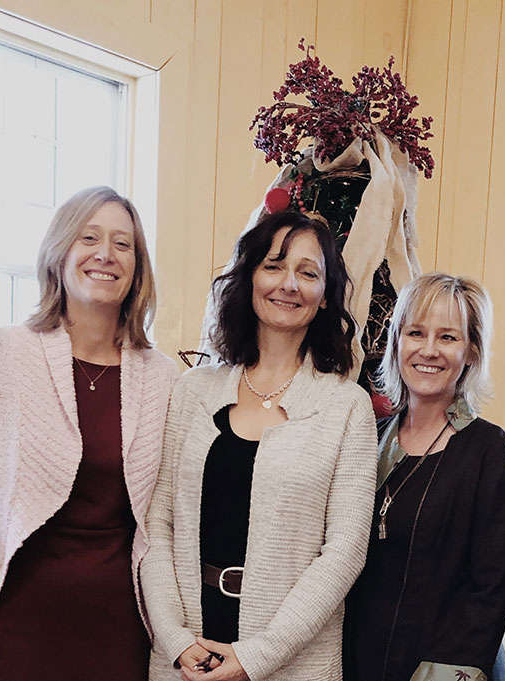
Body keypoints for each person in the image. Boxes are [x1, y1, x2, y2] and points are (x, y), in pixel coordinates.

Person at [0, 186, 176, 681]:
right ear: (59, 253)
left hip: (120, 633)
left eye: (123, 244)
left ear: (138, 266)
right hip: (14, 628)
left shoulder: (163, 377)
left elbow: (168, 521)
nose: (105, 254)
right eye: (89, 237)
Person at [141, 211, 378, 681]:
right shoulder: (192, 391)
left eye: (308, 273)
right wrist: (173, 637)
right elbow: (158, 524)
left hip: (293, 659)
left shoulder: (347, 406)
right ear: (249, 277)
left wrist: (257, 656)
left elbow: (346, 549)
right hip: (187, 652)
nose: (289, 283)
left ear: (327, 296)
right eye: (273, 265)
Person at [343, 272, 505, 681]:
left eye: (448, 337)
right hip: (360, 661)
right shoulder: (367, 438)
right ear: (396, 342)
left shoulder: (495, 453)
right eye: (416, 333)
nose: (428, 350)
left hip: (445, 668)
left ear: (472, 352)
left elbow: (491, 590)